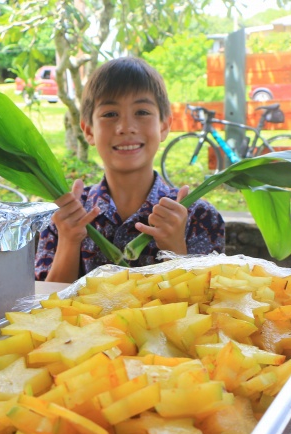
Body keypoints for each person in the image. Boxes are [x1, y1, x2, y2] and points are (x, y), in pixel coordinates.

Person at [35, 57, 225, 283]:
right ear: (88, 130)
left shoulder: (199, 216)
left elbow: (207, 306)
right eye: (110, 114)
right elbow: (45, 306)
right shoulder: (63, 216)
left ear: (164, 126)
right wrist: (68, 239)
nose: (126, 127)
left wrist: (175, 249)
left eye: (142, 112)